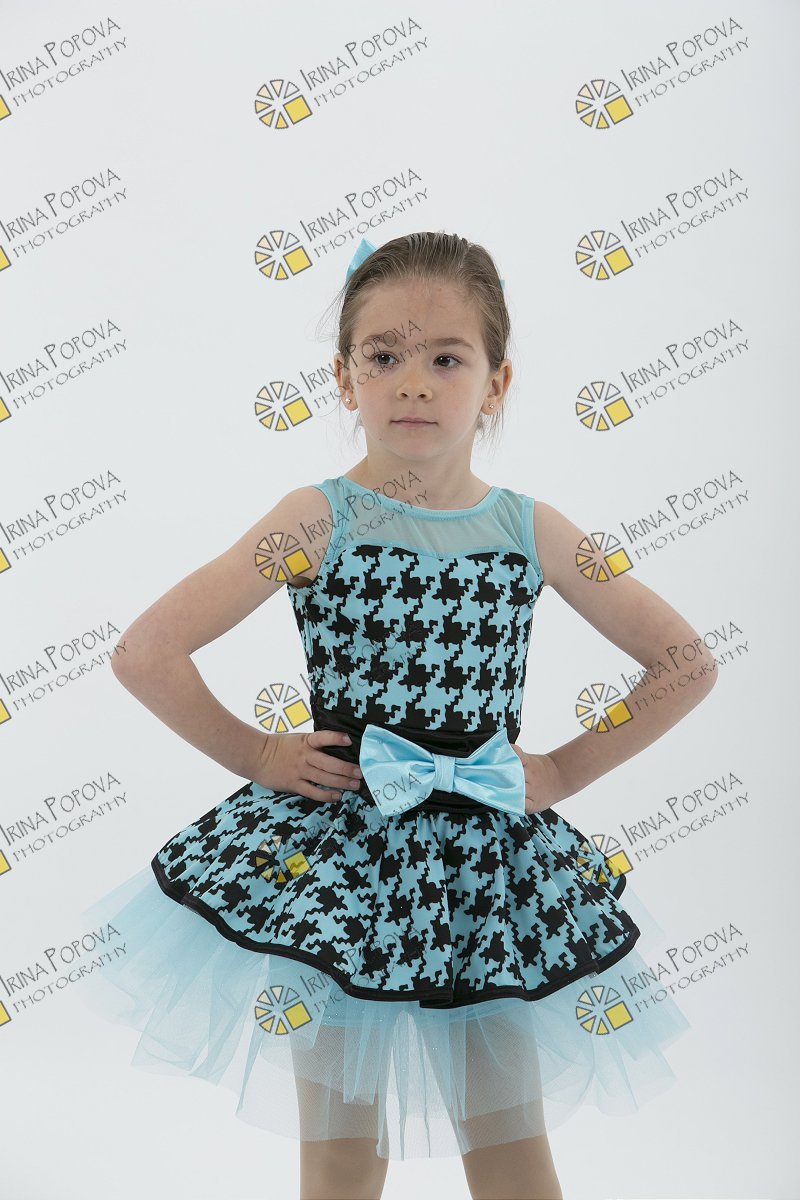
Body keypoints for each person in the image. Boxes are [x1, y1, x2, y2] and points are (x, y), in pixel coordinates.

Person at [80, 231, 713, 1200]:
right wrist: (259, 755)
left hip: (488, 874)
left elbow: (683, 662)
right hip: (339, 869)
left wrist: (559, 771)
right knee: (340, 1157)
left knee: (509, 1155)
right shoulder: (317, 519)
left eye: (446, 358)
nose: (412, 382)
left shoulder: (529, 529)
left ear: (497, 383)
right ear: (344, 379)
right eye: (383, 356)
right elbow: (146, 652)